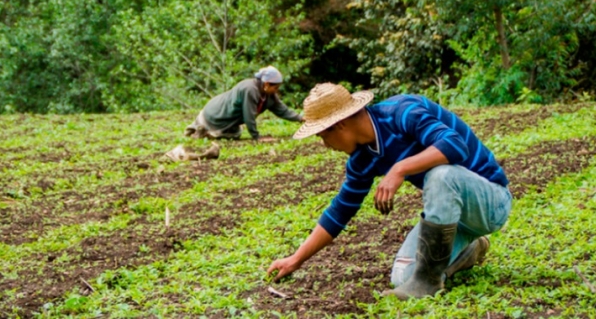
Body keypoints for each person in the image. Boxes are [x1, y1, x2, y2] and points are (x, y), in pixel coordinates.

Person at [267, 83, 512, 299]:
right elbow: (340, 211)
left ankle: (428, 282)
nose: (326, 146)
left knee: (440, 174)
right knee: (403, 277)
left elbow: (455, 145)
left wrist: (399, 168)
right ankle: (469, 250)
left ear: (339, 125)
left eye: (323, 137)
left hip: (490, 202)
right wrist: (296, 259)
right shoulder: (362, 159)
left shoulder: (402, 112)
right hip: (454, 220)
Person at [183, 66, 304, 141]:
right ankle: (203, 130)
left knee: (236, 134)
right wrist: (257, 137)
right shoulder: (250, 89)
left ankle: (210, 131)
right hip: (216, 113)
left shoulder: (268, 95)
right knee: (234, 135)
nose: (277, 91)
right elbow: (248, 115)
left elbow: (281, 109)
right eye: (276, 87)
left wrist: (301, 118)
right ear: (267, 84)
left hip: (226, 117)